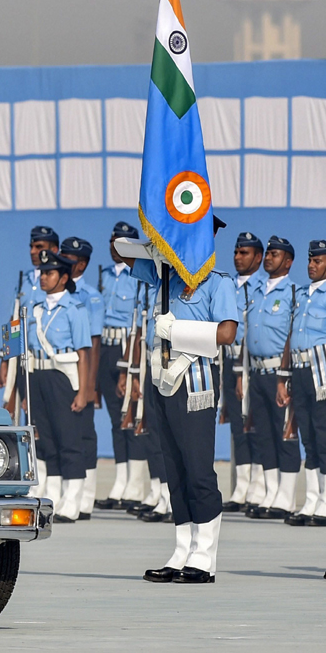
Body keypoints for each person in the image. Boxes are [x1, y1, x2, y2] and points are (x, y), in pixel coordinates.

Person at [121, 224, 238, 584]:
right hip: (163, 379)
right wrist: (159, 240)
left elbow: (227, 333)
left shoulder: (219, 283)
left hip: (195, 380)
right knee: (175, 469)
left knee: (199, 469)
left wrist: (181, 331)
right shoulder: (166, 277)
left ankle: (204, 557)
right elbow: (121, 250)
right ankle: (181, 550)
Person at [24, 249, 93, 523]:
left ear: (63, 277)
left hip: (62, 378)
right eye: (42, 273)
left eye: (49, 273)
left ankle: (73, 500)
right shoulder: (36, 309)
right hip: (38, 376)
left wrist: (84, 391)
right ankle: (52, 497)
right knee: (47, 441)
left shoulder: (75, 309)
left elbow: (84, 352)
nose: (43, 278)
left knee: (69, 440)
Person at [95, 222, 151, 511]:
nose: (114, 245)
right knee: (116, 419)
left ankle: (136, 483)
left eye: (121, 241)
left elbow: (138, 322)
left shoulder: (140, 275)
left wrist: (130, 364)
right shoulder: (104, 276)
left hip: (128, 348)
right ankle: (121, 479)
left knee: (132, 414)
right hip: (105, 347)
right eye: (112, 240)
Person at [244, 235, 300, 519]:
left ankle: (287, 497)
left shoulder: (293, 292)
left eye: (275, 254)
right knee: (263, 435)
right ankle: (270, 491)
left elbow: (293, 335)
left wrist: (285, 375)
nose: (268, 258)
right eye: (267, 253)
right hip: (256, 370)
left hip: (280, 372)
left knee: (284, 434)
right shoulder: (255, 291)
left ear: (288, 261)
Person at [281, 239, 326, 527]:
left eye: (319, 261)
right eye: (311, 260)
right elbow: (291, 335)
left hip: (324, 372)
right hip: (300, 371)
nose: (312, 265)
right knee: (309, 439)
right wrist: (283, 376)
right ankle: (312, 499)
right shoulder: (301, 293)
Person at [222, 231, 268, 511]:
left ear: (259, 257)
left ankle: (260, 487)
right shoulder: (227, 285)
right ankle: (241, 487)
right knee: (238, 426)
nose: (238, 257)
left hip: (253, 363)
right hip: (228, 360)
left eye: (245, 253)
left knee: (258, 425)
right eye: (237, 252)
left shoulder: (265, 286)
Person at [60, 236, 104, 519]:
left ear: (83, 264)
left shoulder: (91, 296)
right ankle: (64, 492)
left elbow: (94, 344)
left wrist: (89, 386)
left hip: (81, 371)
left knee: (84, 434)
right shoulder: (55, 290)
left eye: (71, 258)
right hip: (58, 372)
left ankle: (86, 497)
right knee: (62, 433)